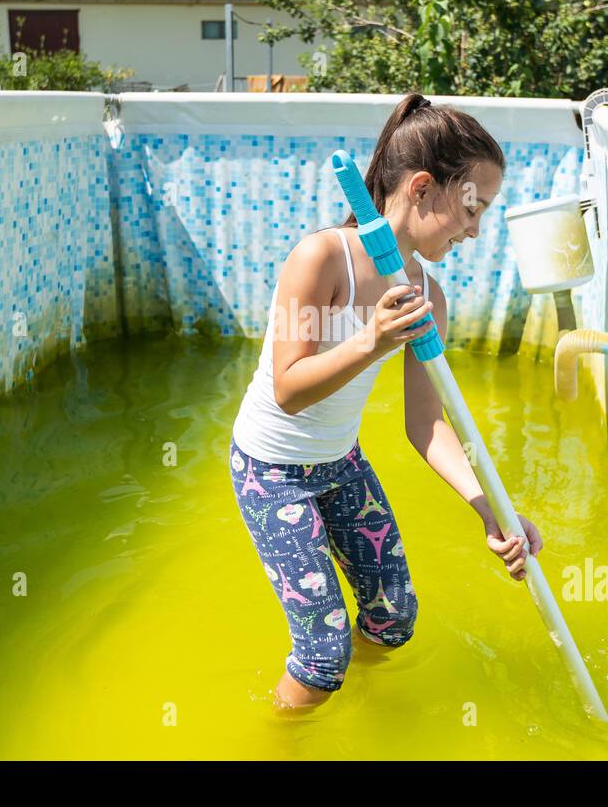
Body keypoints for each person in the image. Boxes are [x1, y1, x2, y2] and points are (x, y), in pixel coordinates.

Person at [228, 93, 544, 710]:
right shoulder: (320, 258)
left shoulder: (428, 293)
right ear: (424, 187)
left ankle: (363, 707)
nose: (476, 230)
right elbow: (290, 389)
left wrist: (488, 511)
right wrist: (372, 340)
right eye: (473, 207)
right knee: (321, 656)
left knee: (392, 621)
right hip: (271, 471)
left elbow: (426, 425)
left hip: (339, 464)